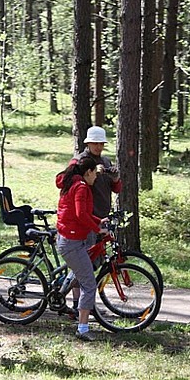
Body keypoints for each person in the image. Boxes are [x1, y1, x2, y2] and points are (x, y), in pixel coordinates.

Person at [56, 126, 122, 316]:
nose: (98, 147)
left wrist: (115, 178)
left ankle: (83, 304)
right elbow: (62, 181)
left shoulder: (106, 160)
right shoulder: (79, 160)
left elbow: (117, 188)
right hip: (83, 221)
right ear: (88, 143)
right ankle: (78, 304)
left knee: (92, 263)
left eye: (101, 143)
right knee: (83, 266)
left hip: (99, 219)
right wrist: (80, 173)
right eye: (95, 143)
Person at [55, 156, 108, 341]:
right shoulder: (82, 187)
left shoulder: (74, 184)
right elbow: (80, 214)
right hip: (71, 242)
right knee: (89, 284)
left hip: (70, 238)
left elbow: (84, 213)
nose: (96, 177)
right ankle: (82, 329)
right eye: (95, 173)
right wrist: (97, 228)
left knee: (80, 274)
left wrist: (98, 221)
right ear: (88, 172)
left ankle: (62, 295)